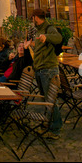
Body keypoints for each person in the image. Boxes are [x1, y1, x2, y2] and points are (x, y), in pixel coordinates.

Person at [27, 8, 63, 139]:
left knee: (51, 100)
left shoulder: (48, 28)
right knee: (45, 99)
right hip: (40, 69)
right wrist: (31, 45)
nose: (32, 20)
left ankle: (55, 129)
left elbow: (58, 38)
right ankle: (49, 123)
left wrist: (46, 37)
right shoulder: (39, 30)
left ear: (36, 17)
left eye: (32, 18)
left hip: (48, 69)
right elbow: (40, 49)